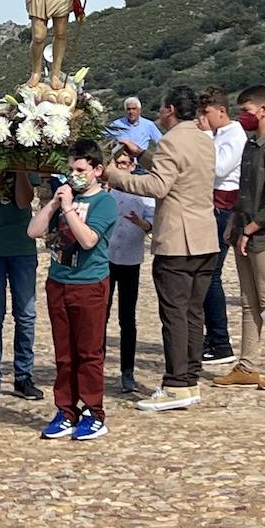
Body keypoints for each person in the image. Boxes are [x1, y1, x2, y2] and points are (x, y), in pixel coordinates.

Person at [107, 85, 219, 413]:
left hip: (178, 239)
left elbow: (158, 185)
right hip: (205, 236)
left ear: (170, 109)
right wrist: (140, 154)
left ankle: (175, 383)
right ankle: (191, 378)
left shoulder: (171, 140)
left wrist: (116, 176)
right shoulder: (202, 138)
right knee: (194, 312)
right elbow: (176, 170)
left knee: (174, 312)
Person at [29, 138, 118, 440]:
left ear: (96, 170)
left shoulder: (104, 202)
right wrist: (53, 204)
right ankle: (66, 409)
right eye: (70, 169)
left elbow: (89, 240)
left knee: (89, 351)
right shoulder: (62, 198)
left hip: (89, 283)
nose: (74, 174)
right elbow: (34, 230)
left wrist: (68, 210)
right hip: (59, 282)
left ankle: (94, 411)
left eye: (80, 169)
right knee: (64, 353)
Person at [215, 86, 265, 391]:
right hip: (244, 232)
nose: (242, 117)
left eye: (246, 111)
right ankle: (247, 364)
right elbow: (245, 192)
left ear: (263, 110)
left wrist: (250, 229)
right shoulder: (251, 146)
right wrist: (235, 223)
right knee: (249, 303)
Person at [0, 168, 43, 404]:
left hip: (22, 248)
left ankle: (23, 376)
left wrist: (19, 170)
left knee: (26, 315)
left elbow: (24, 200)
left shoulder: (25, 160)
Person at [200, 87, 245, 368]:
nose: (203, 118)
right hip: (212, 204)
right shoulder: (219, 135)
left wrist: (203, 136)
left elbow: (218, 168)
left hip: (224, 207)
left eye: (206, 113)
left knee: (211, 274)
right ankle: (212, 336)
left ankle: (220, 341)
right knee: (206, 274)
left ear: (221, 111)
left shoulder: (234, 135)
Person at [104, 152, 153, 393]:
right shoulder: (105, 192)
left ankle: (127, 370)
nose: (122, 167)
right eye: (118, 163)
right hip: (106, 259)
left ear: (132, 166)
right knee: (100, 316)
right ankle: (96, 366)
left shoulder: (142, 194)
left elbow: (151, 224)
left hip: (130, 260)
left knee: (127, 318)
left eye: (126, 163)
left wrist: (141, 224)